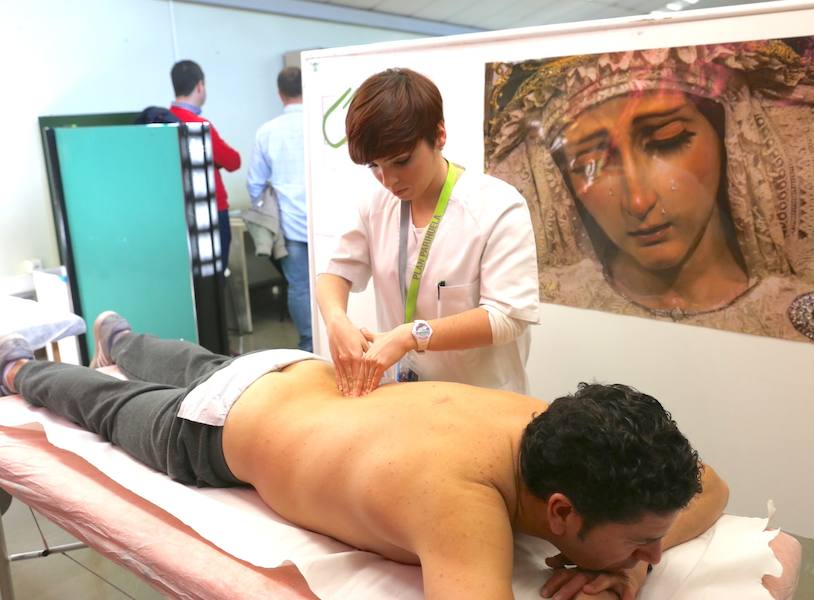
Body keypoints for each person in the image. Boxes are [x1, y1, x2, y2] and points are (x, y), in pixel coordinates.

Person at [0, 313, 727, 600]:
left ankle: (125, 340)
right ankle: (17, 372)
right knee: (103, 405)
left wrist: (624, 563)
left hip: (294, 371)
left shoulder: (559, 426)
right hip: (215, 431)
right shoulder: (463, 500)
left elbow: (713, 487)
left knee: (193, 357)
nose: (657, 554)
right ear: (562, 513)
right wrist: (622, 578)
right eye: (642, 541)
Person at [485, 36, 814, 345]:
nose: (638, 201)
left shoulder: (797, 318)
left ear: (731, 139)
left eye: (668, 140)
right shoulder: (554, 300)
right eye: (590, 165)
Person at [317, 68, 540, 397]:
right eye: (375, 167)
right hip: (405, 398)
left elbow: (507, 318)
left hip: (480, 399)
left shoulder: (497, 207)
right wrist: (336, 321)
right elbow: (335, 273)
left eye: (401, 161)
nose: (388, 180)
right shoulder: (375, 203)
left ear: (439, 135)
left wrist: (413, 335)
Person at [247, 66, 312, 352]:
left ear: (280, 94)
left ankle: (308, 346)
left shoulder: (267, 132)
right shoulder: (322, 124)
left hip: (291, 227)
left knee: (299, 287)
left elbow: (254, 184)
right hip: (328, 226)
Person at [169, 59, 242, 271]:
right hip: (211, 214)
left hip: (178, 214)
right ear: (200, 86)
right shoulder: (199, 125)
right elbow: (232, 161)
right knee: (214, 279)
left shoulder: (162, 121)